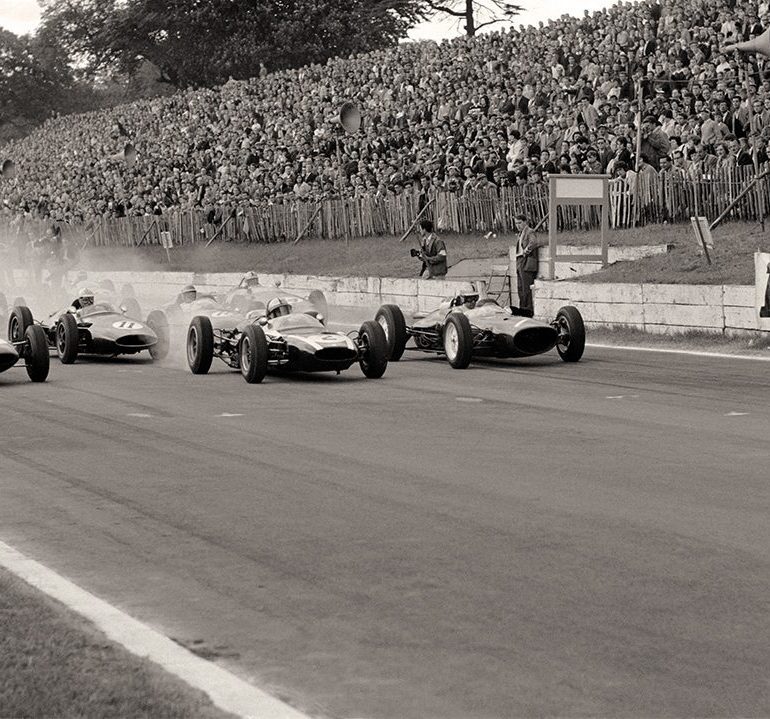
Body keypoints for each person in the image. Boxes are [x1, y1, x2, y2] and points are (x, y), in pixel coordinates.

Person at [514, 214, 542, 315]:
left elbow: (534, 242)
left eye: (520, 223)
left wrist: (526, 251)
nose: (518, 225)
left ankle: (528, 310)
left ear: (525, 222)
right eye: (516, 223)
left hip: (526, 261)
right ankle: (522, 309)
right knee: (520, 288)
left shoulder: (529, 231)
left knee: (526, 288)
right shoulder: (520, 233)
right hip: (519, 261)